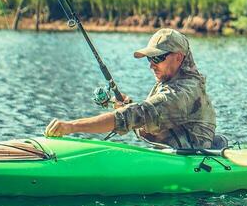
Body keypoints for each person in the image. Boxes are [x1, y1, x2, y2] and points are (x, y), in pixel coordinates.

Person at [44, 28, 225, 150]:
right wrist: (127, 105)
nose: (151, 65)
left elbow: (135, 116)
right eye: (149, 59)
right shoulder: (171, 82)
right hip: (178, 157)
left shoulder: (183, 92)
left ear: (178, 57)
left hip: (193, 165)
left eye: (157, 58)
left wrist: (71, 126)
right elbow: (148, 118)